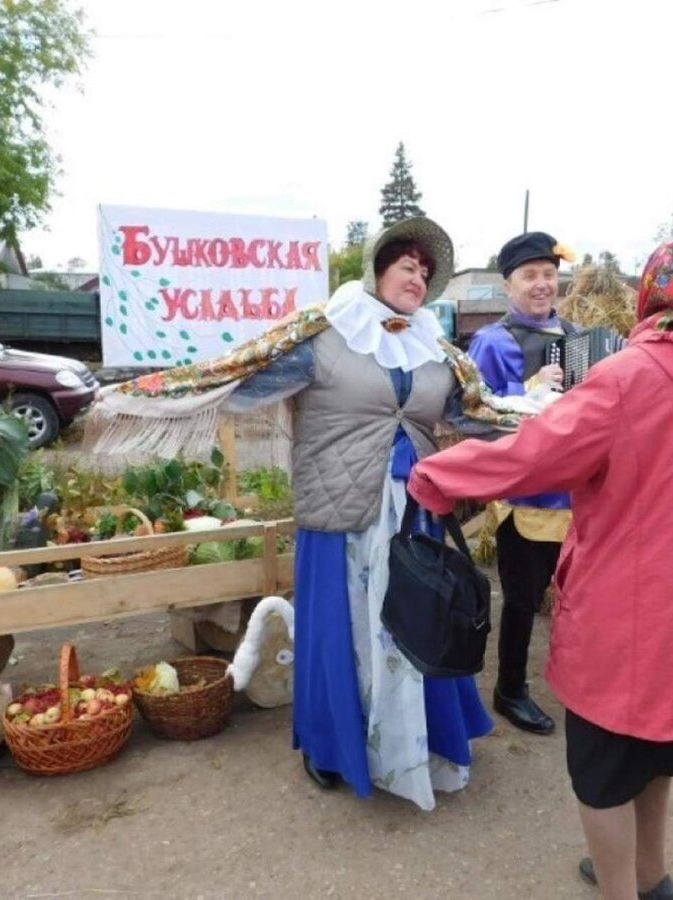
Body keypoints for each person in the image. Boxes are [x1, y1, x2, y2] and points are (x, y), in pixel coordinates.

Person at [407, 236, 673, 899]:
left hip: (625, 618)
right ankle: (651, 877)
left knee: (601, 771)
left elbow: (531, 456)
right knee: (659, 752)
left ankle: (621, 889)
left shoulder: (626, 379)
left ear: (652, 294)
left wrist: (436, 474)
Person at [222, 217, 493, 811]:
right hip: (340, 511)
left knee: (418, 624)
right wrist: (165, 396)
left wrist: (555, 419)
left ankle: (420, 743)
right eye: (406, 265)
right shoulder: (321, 333)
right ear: (376, 268)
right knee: (339, 632)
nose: (417, 277)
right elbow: (238, 381)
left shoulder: (437, 352)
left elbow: (477, 415)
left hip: (412, 513)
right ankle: (332, 747)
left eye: (425, 272)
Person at [464, 231, 579, 735]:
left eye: (549, 275)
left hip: (578, 492)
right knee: (521, 599)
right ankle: (509, 688)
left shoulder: (579, 336)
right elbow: (475, 413)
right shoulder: (491, 341)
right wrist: (527, 395)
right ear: (507, 284)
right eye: (529, 276)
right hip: (526, 494)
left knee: (579, 596)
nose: (541, 285)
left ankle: (576, 679)